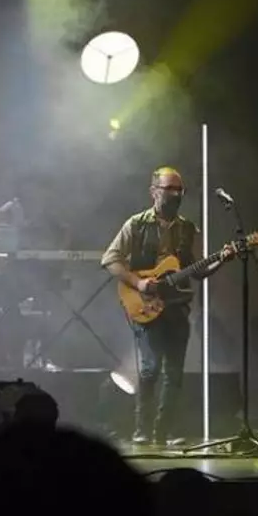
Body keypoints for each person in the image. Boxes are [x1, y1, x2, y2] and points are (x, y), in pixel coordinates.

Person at [101, 167, 230, 446]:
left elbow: (197, 271)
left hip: (177, 306)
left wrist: (221, 259)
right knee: (149, 369)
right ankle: (142, 429)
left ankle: (164, 432)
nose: (176, 194)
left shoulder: (187, 229)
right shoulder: (136, 224)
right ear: (154, 192)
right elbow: (110, 260)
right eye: (170, 189)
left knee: (174, 374)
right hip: (145, 304)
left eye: (179, 190)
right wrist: (138, 283)